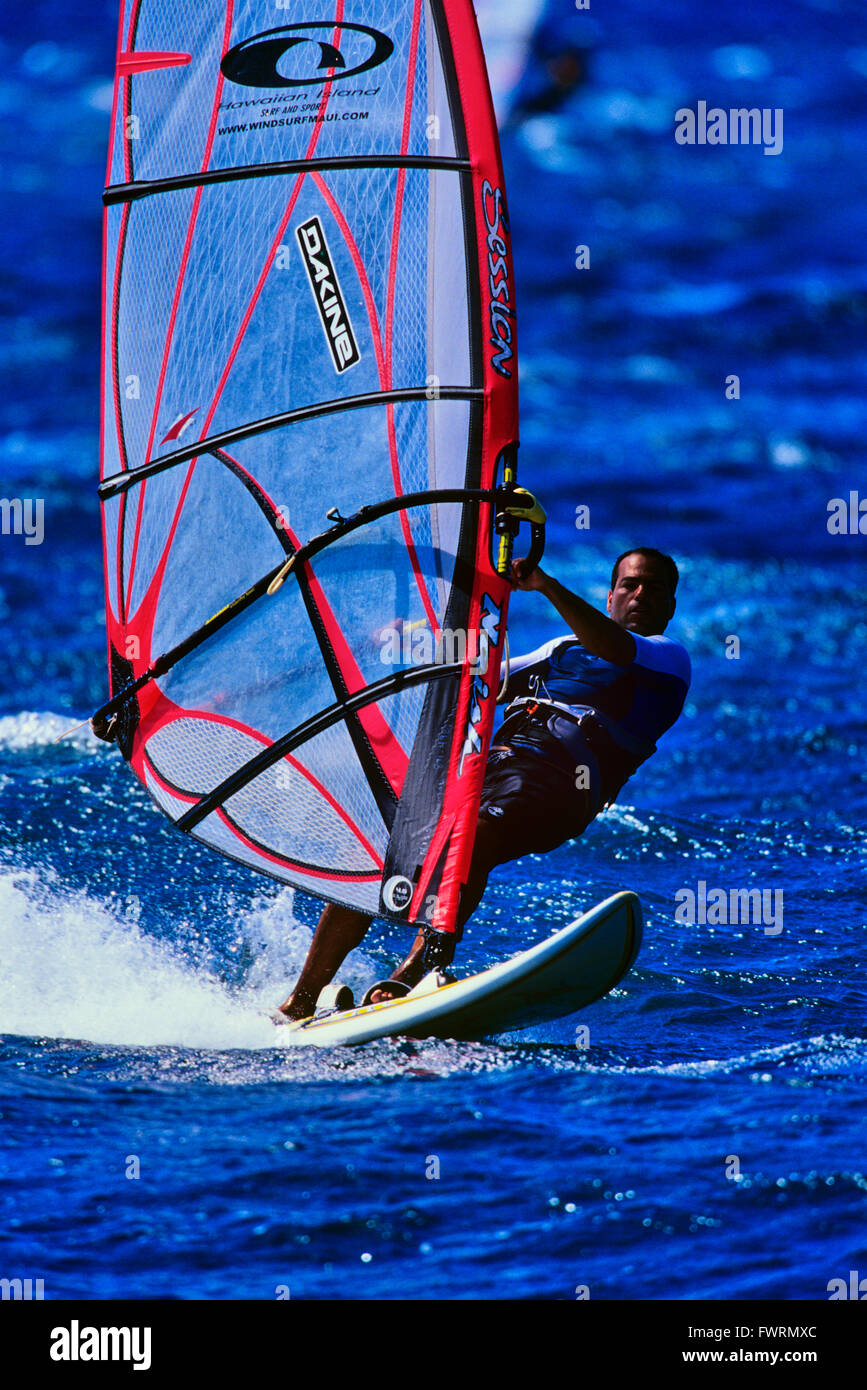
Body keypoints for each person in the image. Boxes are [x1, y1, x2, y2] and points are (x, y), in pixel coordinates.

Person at [277, 547, 690, 1021]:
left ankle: (415, 972)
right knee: (385, 850)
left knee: (472, 836)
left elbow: (614, 648)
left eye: (653, 588)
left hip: (559, 784)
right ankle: (302, 998)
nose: (639, 595)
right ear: (611, 595)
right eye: (629, 585)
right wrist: (411, 641)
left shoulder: (668, 659)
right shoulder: (560, 650)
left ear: (670, 605)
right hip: (492, 766)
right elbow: (476, 676)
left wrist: (545, 584)